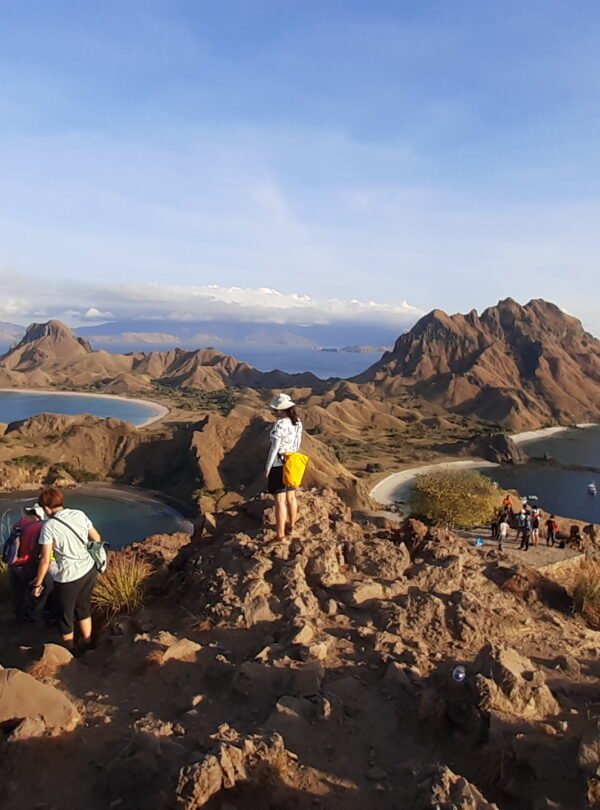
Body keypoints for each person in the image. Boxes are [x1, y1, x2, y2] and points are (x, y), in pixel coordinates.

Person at [32, 487, 102, 652]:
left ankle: (70, 653)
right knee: (83, 608)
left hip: (68, 577)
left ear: (47, 508)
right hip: (89, 569)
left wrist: (38, 585)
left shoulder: (49, 526)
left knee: (65, 617)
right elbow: (96, 537)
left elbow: (45, 559)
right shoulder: (79, 514)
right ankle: (87, 642)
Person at [265, 393, 303, 542]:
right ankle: (291, 527)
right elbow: (298, 442)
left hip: (279, 462)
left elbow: (274, 448)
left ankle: (280, 536)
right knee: (291, 497)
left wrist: (268, 467)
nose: (274, 412)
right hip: (292, 461)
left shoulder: (280, 425)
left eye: (275, 410)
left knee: (280, 501)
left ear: (282, 410)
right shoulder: (297, 422)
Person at [5, 505, 51, 623]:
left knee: (17, 592)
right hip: (26, 564)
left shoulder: (20, 523)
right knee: (34, 589)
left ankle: (19, 617)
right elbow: (36, 549)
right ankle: (31, 615)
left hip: (13, 563)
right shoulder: (40, 527)